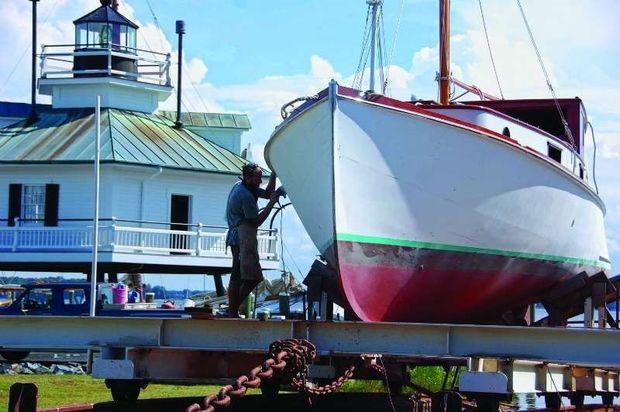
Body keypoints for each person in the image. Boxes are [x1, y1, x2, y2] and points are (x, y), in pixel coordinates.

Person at [226, 163, 279, 318]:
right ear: (248, 178)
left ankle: (232, 310)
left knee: (238, 274)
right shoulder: (246, 196)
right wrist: (271, 203)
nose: (260, 182)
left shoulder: (241, 185)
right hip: (241, 239)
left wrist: (274, 174)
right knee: (249, 277)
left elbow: (268, 192)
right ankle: (232, 310)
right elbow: (255, 222)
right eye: (258, 178)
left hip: (238, 236)